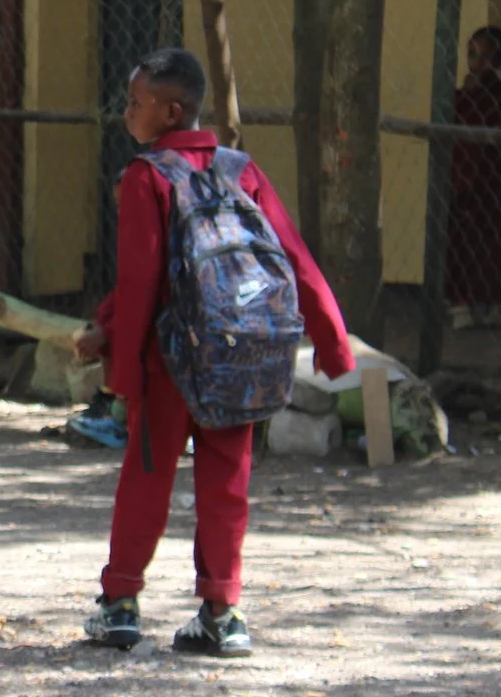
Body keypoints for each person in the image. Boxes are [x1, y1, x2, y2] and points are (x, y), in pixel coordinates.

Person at [71, 48, 352, 658]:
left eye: (136, 103)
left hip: (168, 361)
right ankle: (222, 613)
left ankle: (119, 605)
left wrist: (122, 371)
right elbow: (293, 254)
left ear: (171, 112)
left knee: (147, 477)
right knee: (227, 481)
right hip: (239, 354)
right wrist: (332, 342)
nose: (127, 113)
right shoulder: (239, 170)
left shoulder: (146, 178)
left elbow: (142, 281)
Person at [446, 25, 501, 328]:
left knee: (493, 242)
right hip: (462, 178)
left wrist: (476, 94)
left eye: (485, 57)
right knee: (460, 242)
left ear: (499, 61)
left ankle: (497, 304)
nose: (477, 64)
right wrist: (468, 94)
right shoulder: (463, 94)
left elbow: (497, 122)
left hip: (492, 179)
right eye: (472, 55)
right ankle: (461, 304)